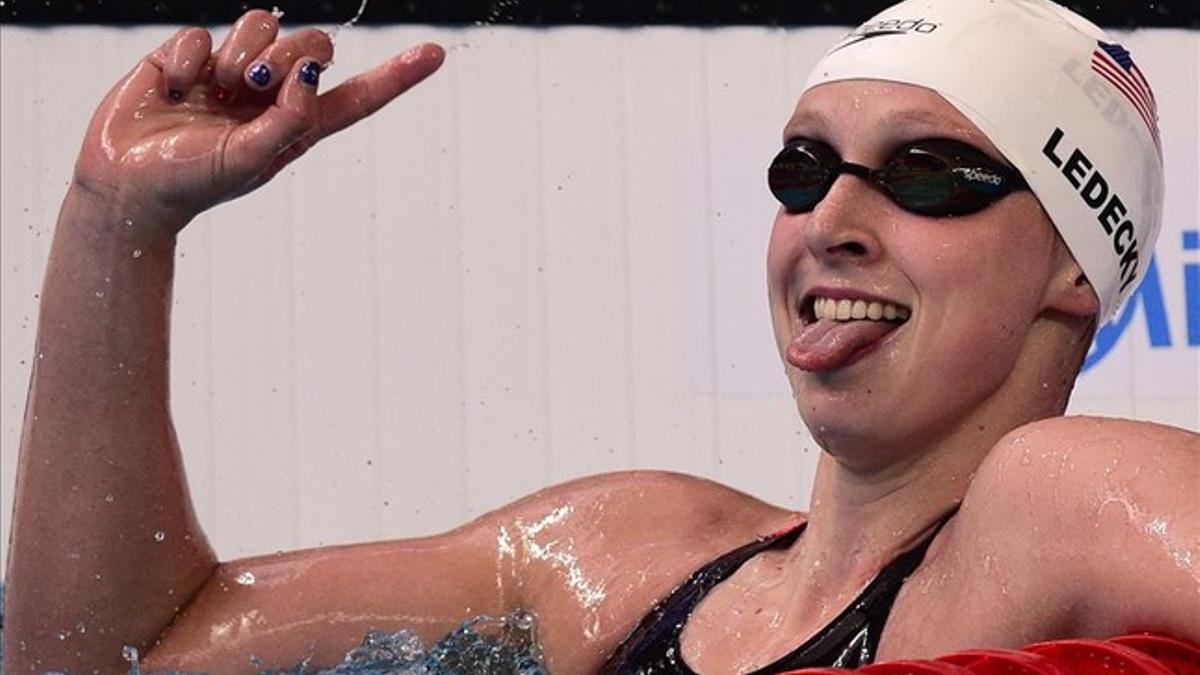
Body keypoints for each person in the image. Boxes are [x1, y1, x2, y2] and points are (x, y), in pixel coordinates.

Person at [3, 0, 1197, 673]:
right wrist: (117, 223)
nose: (830, 219)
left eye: (927, 174)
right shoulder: (629, 553)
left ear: (1070, 274)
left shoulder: (1063, 498)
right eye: (802, 169)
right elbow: (120, 655)